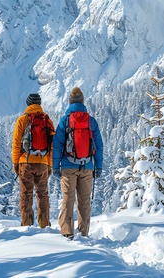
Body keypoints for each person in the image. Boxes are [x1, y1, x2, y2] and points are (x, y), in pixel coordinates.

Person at [52, 87, 103, 239]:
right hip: (87, 166)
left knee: (68, 199)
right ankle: (83, 232)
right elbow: (99, 145)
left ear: (70, 102)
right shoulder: (91, 121)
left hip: (68, 167)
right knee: (84, 200)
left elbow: (57, 145)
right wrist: (98, 166)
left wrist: (56, 166)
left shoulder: (65, 121)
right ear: (82, 102)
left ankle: (67, 231)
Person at [12, 93, 55, 228]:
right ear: (39, 104)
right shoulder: (47, 120)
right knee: (43, 194)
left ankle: (27, 224)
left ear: (28, 104)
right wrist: (50, 165)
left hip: (26, 162)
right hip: (43, 163)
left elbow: (16, 143)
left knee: (26, 194)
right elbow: (52, 145)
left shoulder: (22, 120)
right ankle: (44, 224)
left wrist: (16, 163)